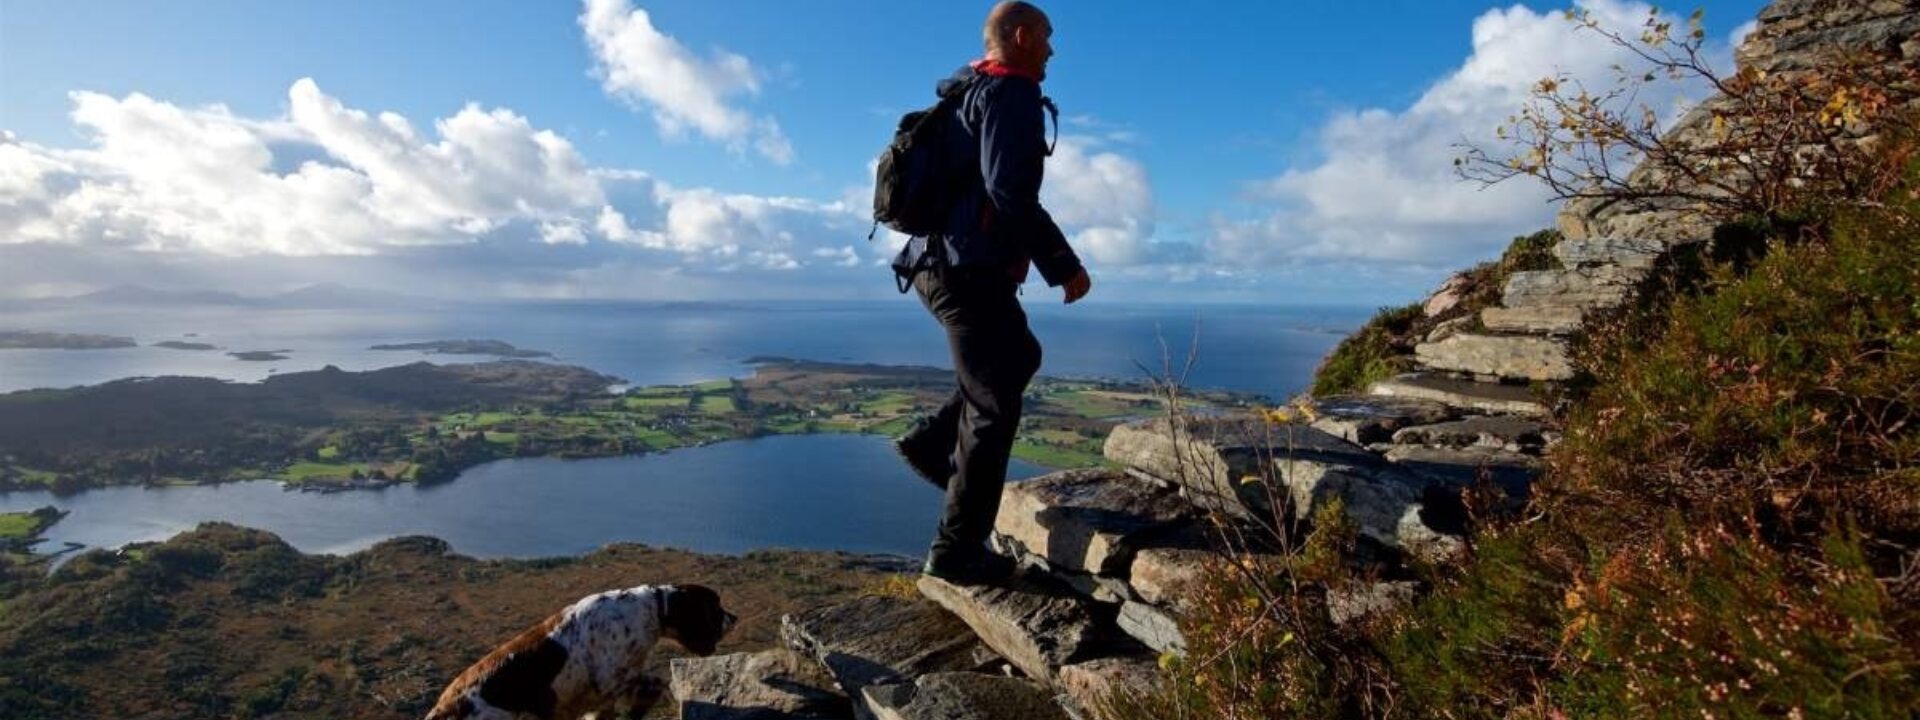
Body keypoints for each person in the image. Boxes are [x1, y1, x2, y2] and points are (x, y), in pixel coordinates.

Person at [892, 1, 1092, 585]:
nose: (1053, 50)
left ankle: (933, 445)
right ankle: (957, 553)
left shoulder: (965, 92)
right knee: (993, 406)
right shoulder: (1011, 93)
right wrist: (1064, 264)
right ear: (1022, 35)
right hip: (966, 271)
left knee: (1020, 357)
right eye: (1048, 38)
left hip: (939, 266)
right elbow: (1010, 194)